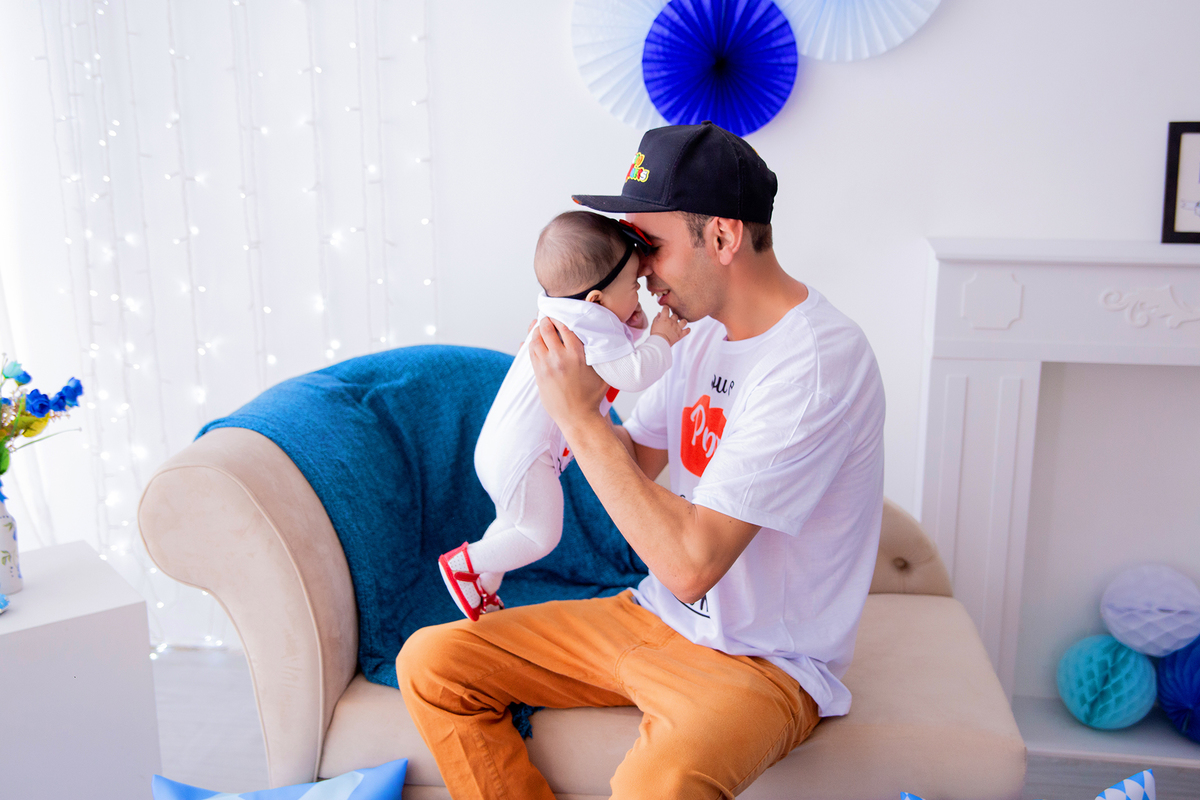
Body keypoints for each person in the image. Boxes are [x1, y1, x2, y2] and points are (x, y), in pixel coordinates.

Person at [398, 121, 886, 799]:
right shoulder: (690, 334)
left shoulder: (816, 361)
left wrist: (578, 416)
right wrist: (558, 399)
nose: (639, 271)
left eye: (647, 245)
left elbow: (690, 566)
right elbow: (634, 463)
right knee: (432, 662)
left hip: (763, 663)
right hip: (651, 617)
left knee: (654, 787)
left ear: (720, 237)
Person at [439, 210, 689, 621]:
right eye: (633, 286)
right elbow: (633, 372)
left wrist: (631, 323)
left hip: (501, 451)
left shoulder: (564, 313)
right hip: (525, 456)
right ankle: (464, 565)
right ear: (596, 301)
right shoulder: (590, 324)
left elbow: (613, 353)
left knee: (514, 524)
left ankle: (482, 585)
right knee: (539, 534)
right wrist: (662, 337)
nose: (640, 293)